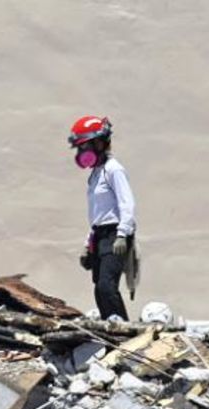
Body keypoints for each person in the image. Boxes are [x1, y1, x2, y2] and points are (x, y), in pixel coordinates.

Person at [69, 116, 138, 321]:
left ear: (99, 142)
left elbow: (127, 203)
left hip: (114, 234)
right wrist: (88, 243)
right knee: (99, 290)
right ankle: (111, 334)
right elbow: (98, 213)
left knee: (107, 286)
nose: (82, 153)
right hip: (100, 235)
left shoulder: (113, 169)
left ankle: (125, 333)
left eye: (84, 146)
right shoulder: (95, 174)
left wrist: (122, 234)